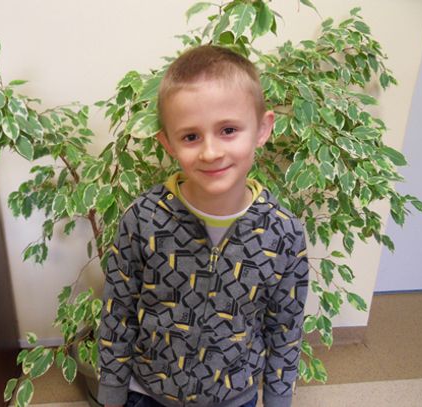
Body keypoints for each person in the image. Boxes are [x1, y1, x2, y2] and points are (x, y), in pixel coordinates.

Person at [97, 45, 309, 407]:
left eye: (228, 130)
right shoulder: (143, 218)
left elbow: (285, 327)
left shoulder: (283, 231)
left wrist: (277, 398)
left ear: (262, 129)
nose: (210, 152)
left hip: (235, 397)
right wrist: (112, 392)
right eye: (191, 136)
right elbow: (118, 311)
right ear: (168, 143)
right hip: (148, 395)